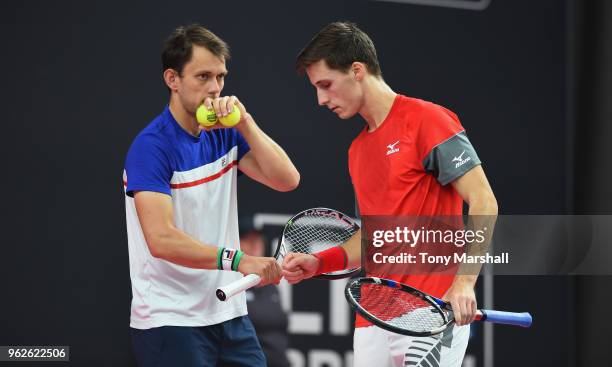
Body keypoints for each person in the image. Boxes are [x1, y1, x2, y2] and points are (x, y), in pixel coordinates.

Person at [282, 21, 498, 367]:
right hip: (372, 318)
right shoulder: (357, 151)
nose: (321, 100)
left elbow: (485, 201)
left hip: (430, 310)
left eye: (326, 85)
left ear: (356, 71)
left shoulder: (428, 120)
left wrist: (465, 283)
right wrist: (320, 262)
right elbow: (374, 237)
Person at [123, 24, 300, 367]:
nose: (215, 89)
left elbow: (287, 180)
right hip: (169, 320)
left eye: (220, 77)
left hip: (228, 315)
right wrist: (238, 260)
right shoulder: (151, 147)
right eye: (203, 76)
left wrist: (245, 123)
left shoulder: (225, 134)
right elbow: (161, 239)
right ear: (172, 79)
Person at [239, 217, 291, 367]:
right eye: (249, 240)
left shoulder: (271, 285)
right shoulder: (231, 284)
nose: (256, 245)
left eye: (258, 239)